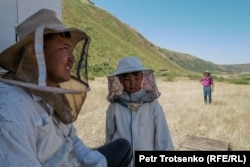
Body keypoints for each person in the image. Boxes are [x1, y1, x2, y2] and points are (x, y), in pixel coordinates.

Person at [0, 9, 132, 167]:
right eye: (64, 49)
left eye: (71, 50)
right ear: (34, 52)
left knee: (123, 147)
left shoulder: (51, 93)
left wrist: (99, 163)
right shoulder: (10, 109)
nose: (72, 59)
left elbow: (72, 140)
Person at [105, 56, 174, 166]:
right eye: (127, 79)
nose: (132, 84)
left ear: (142, 78)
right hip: (122, 161)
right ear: (120, 80)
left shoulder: (153, 105)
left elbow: (163, 137)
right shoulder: (115, 106)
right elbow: (109, 138)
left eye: (136, 79)